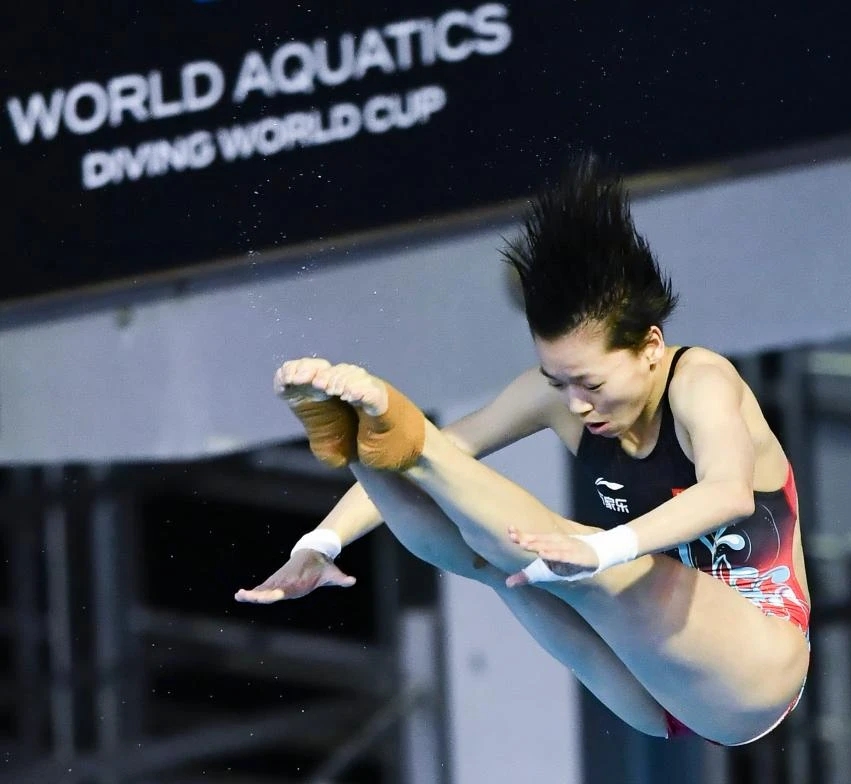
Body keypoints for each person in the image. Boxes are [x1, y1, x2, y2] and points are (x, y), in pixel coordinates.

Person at [235, 156, 811, 745]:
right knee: (494, 559)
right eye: (557, 381)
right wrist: (320, 542)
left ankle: (406, 437)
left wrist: (602, 548)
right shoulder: (556, 396)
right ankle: (355, 446)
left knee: (577, 559)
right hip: (648, 697)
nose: (575, 404)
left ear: (650, 346)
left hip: (757, 668)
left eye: (590, 383)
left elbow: (729, 493)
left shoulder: (702, 381)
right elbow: (452, 457)